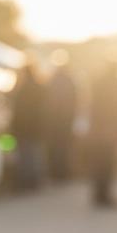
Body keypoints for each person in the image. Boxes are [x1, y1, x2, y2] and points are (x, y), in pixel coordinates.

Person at [86, 61, 117, 208]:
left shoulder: (98, 82)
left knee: (99, 161)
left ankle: (98, 193)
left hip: (98, 128)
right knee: (107, 163)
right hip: (109, 128)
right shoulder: (115, 84)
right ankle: (104, 194)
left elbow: (93, 106)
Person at [9, 63, 47, 191]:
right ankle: (35, 181)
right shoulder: (40, 87)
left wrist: (14, 125)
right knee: (35, 154)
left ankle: (26, 181)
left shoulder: (23, 88)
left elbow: (19, 110)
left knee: (26, 155)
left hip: (25, 127)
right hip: (37, 127)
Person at [44, 52, 78, 181]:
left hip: (56, 121)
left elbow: (49, 102)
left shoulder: (53, 81)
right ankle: (63, 172)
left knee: (56, 147)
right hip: (66, 121)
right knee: (64, 147)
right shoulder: (70, 81)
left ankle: (56, 172)